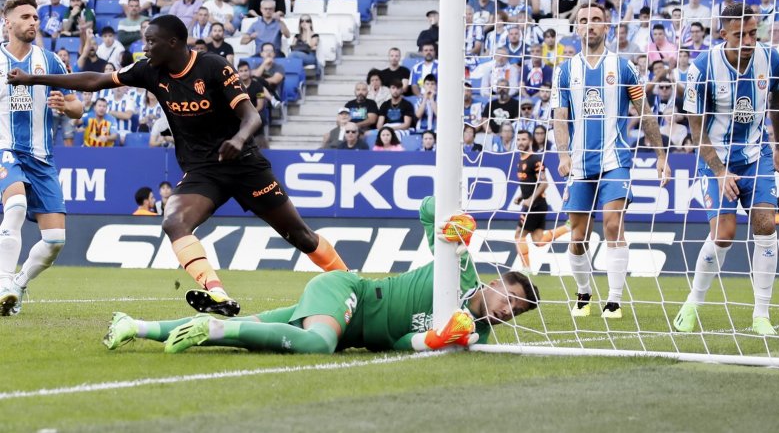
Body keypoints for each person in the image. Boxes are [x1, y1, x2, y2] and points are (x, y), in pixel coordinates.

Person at [8, 15, 348, 318]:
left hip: (244, 164)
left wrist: (239, 140)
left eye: (151, 41)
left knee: (300, 236)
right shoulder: (148, 70)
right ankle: (217, 291)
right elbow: (95, 81)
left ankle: (352, 288)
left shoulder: (213, 67)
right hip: (203, 171)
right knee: (173, 221)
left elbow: (251, 115)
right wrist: (34, 80)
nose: (145, 46)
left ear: (174, 42)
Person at [104, 197, 539, 354]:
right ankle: (212, 327)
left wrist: (437, 340)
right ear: (495, 282)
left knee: (251, 330)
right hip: (349, 293)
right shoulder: (459, 270)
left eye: (517, 311)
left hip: (349, 322)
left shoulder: (476, 337)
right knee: (317, 345)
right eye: (511, 298)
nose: (509, 310)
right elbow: (428, 208)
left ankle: (134, 326)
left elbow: (400, 342)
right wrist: (452, 225)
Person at [674, 3, 779, 336]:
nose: (749, 41)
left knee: (766, 224)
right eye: (741, 35)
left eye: (754, 33)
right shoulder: (702, 67)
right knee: (723, 235)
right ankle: (693, 302)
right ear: (723, 34)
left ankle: (761, 314)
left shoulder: (772, 60)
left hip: (756, 154)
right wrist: (720, 171)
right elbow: (697, 132)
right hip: (716, 158)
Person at [553, 5, 670, 319]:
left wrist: (661, 155)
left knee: (613, 226)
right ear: (576, 28)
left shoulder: (624, 67)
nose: (589, 26)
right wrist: (563, 155)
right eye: (583, 21)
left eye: (595, 20)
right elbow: (560, 117)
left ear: (606, 26)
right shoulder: (565, 70)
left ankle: (614, 301)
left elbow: (644, 112)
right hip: (579, 165)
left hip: (615, 160)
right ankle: (583, 293)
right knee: (578, 237)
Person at [0, 0, 84, 315]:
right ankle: (3, 281)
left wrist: (67, 105)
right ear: (7, 22)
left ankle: (17, 288)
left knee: (54, 240)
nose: (33, 22)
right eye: (25, 17)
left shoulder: (50, 61)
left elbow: (78, 107)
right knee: (17, 204)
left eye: (36, 17)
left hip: (42, 158)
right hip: (5, 149)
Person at [511, 129, 567, 274]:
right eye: (518, 139)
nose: (520, 142)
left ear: (530, 141)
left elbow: (544, 183)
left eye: (523, 139)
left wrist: (530, 199)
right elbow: (529, 184)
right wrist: (521, 197)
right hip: (534, 204)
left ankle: (526, 268)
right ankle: (567, 227)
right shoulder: (520, 160)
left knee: (519, 235)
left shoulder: (535, 159)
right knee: (538, 240)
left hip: (534, 206)